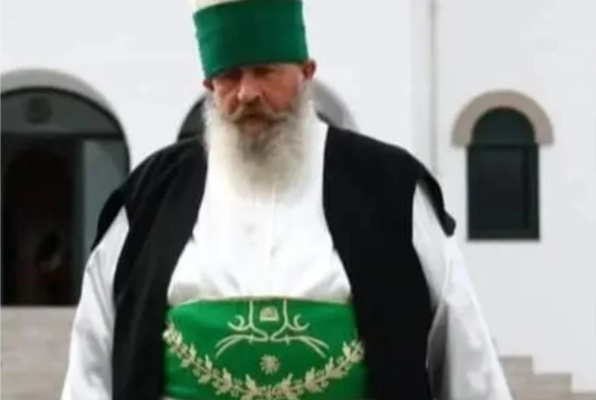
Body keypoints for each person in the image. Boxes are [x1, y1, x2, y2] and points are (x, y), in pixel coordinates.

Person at [60, 0, 513, 399]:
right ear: (210, 87)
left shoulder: (392, 190)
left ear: (306, 73)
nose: (247, 93)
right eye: (230, 76)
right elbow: (92, 362)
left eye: (265, 72)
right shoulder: (150, 197)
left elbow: (466, 356)